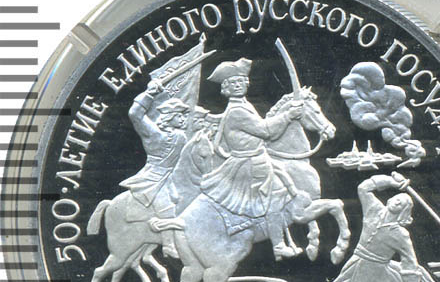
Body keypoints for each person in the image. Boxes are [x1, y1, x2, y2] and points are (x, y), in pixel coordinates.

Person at [201, 58, 303, 261]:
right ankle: (278, 246)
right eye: (232, 83)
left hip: (256, 158)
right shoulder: (237, 111)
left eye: (241, 81)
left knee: (283, 182)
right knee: (273, 199)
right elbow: (266, 131)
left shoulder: (244, 105)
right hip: (249, 164)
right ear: (225, 88)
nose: (238, 85)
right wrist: (289, 115)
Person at [119, 79, 190, 258]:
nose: (183, 119)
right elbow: (135, 114)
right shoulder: (153, 134)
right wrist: (150, 94)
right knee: (167, 206)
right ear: (170, 117)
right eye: (179, 116)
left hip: (171, 177)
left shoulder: (181, 136)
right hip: (154, 177)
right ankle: (168, 245)